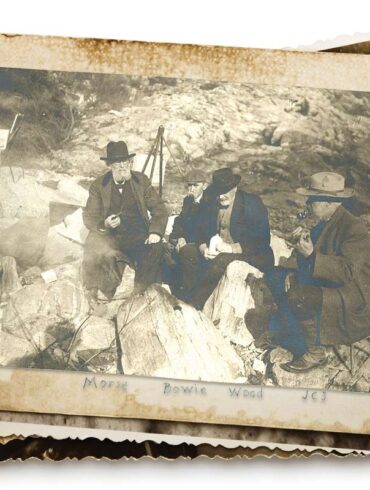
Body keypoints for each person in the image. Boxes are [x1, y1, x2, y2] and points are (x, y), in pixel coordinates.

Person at [265, 172, 370, 373]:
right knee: (276, 277)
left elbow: (346, 273)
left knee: (300, 296)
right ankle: (295, 334)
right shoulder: (325, 221)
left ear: (329, 201)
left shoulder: (353, 228)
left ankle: (316, 353)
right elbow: (312, 258)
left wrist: (312, 255)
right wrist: (293, 269)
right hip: (330, 284)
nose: (308, 202)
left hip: (351, 297)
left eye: (312, 199)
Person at [82, 140, 168, 302]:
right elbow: (89, 216)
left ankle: (140, 291)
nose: (122, 167)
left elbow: (159, 209)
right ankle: (92, 291)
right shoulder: (99, 185)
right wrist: (104, 224)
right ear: (109, 165)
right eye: (117, 163)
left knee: (157, 246)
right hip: (110, 237)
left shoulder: (141, 181)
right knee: (92, 242)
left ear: (130, 163)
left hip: (137, 235)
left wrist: (155, 231)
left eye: (125, 162)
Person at [188, 167, 274, 309]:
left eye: (224, 192)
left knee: (222, 260)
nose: (220, 196)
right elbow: (200, 230)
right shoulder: (210, 200)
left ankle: (195, 304)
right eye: (218, 192)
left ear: (235, 188)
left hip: (252, 254)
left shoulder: (251, 204)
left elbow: (262, 241)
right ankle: (186, 295)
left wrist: (231, 248)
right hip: (217, 252)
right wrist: (203, 248)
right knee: (188, 252)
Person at [169, 169, 208, 300]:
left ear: (205, 186)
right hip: (186, 239)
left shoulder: (209, 203)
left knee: (186, 252)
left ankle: (189, 297)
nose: (191, 189)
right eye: (189, 185)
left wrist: (186, 239)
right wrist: (179, 237)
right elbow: (180, 220)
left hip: (203, 242)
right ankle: (174, 289)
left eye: (195, 185)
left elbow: (204, 229)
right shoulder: (188, 200)